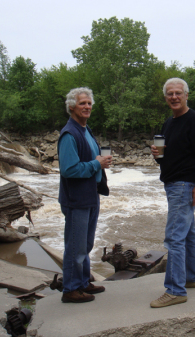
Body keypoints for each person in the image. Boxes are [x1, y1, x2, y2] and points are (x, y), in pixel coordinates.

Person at [150, 78, 195, 308]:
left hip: (184, 185)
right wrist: (157, 154)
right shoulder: (169, 123)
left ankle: (174, 290)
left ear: (186, 95)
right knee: (188, 234)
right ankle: (190, 278)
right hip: (174, 184)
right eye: (169, 93)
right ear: (165, 98)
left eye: (178, 93)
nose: (174, 97)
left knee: (174, 238)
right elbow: (168, 156)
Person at [58, 87, 112, 303]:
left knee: (86, 244)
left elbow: (91, 160)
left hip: (90, 195)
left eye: (89, 103)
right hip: (77, 199)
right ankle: (70, 289)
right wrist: (95, 164)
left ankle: (82, 282)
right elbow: (69, 170)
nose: (87, 107)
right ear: (72, 107)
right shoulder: (69, 134)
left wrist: (100, 162)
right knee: (75, 246)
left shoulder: (85, 129)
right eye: (82, 103)